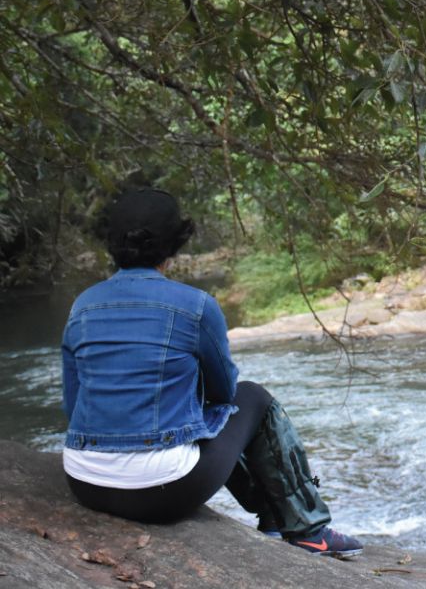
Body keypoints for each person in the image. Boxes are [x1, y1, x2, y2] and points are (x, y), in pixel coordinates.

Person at [60, 187, 362, 559]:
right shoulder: (196, 306)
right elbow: (224, 394)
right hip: (159, 493)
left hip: (85, 484)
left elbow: (73, 407)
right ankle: (306, 527)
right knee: (253, 398)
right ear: (174, 246)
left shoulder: (82, 305)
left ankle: (274, 517)